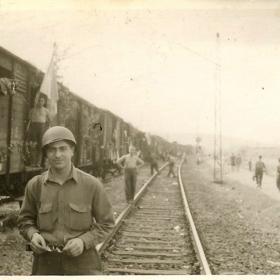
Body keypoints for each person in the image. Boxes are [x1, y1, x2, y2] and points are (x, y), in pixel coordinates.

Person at [18, 126, 115, 275]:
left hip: (83, 264)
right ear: (46, 154)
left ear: (72, 151)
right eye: (52, 150)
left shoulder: (91, 184)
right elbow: (25, 221)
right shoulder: (35, 185)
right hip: (45, 264)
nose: (57, 154)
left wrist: (83, 242)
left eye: (63, 149)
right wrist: (33, 235)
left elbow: (106, 224)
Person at [27, 95, 51, 166]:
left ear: (44, 102)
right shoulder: (32, 110)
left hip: (42, 128)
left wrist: (46, 129)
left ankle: (38, 162)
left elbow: (49, 121)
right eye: (39, 100)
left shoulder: (46, 111)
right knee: (33, 144)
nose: (40, 102)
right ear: (37, 101)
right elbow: (29, 120)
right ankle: (32, 162)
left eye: (42, 101)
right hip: (34, 127)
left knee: (40, 145)